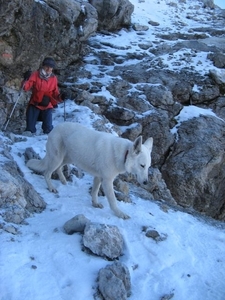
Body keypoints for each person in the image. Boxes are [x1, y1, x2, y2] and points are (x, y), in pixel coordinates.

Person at [22, 57, 63, 135]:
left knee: (49, 130)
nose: (48, 69)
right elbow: (25, 87)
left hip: (47, 105)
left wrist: (62, 97)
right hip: (35, 104)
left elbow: (55, 93)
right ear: (43, 66)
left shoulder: (53, 78)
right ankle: (28, 143)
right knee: (29, 130)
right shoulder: (35, 74)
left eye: (51, 67)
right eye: (47, 66)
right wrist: (26, 79)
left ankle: (45, 144)